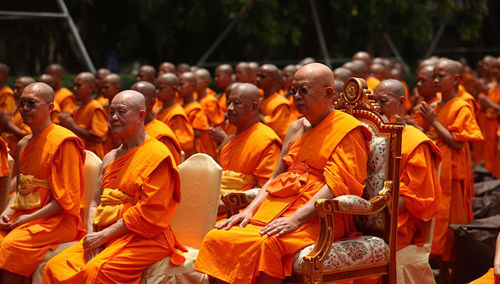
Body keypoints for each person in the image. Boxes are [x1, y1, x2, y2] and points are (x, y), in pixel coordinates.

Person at [194, 63, 371, 284]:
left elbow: (336, 185)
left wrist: (295, 220)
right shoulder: (296, 127)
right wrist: (249, 210)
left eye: (303, 90)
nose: (296, 96)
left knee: (267, 244)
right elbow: (275, 178)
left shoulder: (347, 129)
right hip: (276, 206)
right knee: (218, 237)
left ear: (328, 93)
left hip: (320, 215)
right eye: (293, 90)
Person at [43, 90, 186, 283]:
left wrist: (102, 237)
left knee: (96, 271)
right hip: (105, 234)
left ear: (141, 116)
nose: (114, 118)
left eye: (121, 111)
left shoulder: (158, 155)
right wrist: (93, 238)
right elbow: (95, 202)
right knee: (56, 266)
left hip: (145, 238)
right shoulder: (110, 157)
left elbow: (149, 213)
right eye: (111, 113)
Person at [0, 82, 85, 284]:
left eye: (31, 103)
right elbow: (22, 189)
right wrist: (7, 212)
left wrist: (26, 220)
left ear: (50, 107)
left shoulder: (64, 141)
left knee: (9, 246)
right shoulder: (23, 143)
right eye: (21, 103)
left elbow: (65, 202)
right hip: (27, 215)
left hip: (58, 221)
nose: (24, 109)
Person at [419, 59, 483, 283]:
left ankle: (453, 275)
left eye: (441, 76)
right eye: (434, 75)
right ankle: (442, 273)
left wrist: (433, 122)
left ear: (456, 79)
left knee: (452, 227)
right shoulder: (436, 105)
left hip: (452, 175)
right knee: (437, 223)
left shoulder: (461, 106)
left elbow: (457, 143)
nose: (435, 80)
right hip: (436, 171)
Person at [373, 79, 441, 250]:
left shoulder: (416, 142)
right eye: (374, 102)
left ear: (402, 102)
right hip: (364, 216)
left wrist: (374, 208)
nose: (377, 108)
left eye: (383, 101)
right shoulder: (369, 137)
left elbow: (419, 196)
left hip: (397, 222)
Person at [217, 83, 282, 215]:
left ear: (254, 107)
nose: (229, 108)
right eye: (228, 102)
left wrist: (224, 204)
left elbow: (268, 188)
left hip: (243, 212)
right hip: (214, 206)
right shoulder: (227, 141)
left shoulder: (266, 140)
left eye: (236, 103)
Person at [58, 72, 108, 158]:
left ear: (91, 88)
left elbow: (99, 138)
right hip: (78, 154)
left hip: (92, 158)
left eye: (78, 86)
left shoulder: (95, 107)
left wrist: (73, 126)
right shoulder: (78, 107)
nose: (74, 89)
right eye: (74, 86)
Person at [131, 81, 182, 164]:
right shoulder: (130, 130)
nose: (131, 103)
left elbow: (168, 170)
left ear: (151, 102)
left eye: (137, 100)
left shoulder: (161, 136)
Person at [155, 73, 195, 157]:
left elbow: (185, 143)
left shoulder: (176, 114)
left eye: (161, 89)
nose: (157, 92)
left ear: (174, 89)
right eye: (156, 88)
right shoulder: (158, 111)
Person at [180, 72, 217, 159]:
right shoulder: (182, 106)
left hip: (200, 149)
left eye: (181, 84)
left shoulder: (197, 108)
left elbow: (198, 132)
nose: (178, 88)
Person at [257, 64, 298, 140]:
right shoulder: (260, 100)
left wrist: (258, 114)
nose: (258, 79)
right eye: (257, 76)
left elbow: (279, 132)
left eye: (262, 76)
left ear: (274, 79)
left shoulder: (281, 103)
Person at [1, 76, 34, 156]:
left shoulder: (31, 111)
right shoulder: (17, 107)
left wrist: (9, 124)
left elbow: (30, 136)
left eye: (18, 89)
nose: (14, 92)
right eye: (14, 88)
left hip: (23, 155)